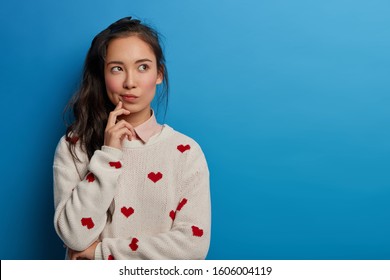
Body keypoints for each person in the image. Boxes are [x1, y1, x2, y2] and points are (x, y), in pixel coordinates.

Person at [53, 16, 211, 260]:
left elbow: (192, 248)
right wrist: (109, 154)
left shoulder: (185, 151)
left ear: (159, 74)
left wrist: (100, 252)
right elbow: (74, 236)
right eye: (117, 68)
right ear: (102, 76)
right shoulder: (75, 145)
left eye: (143, 67)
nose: (129, 82)